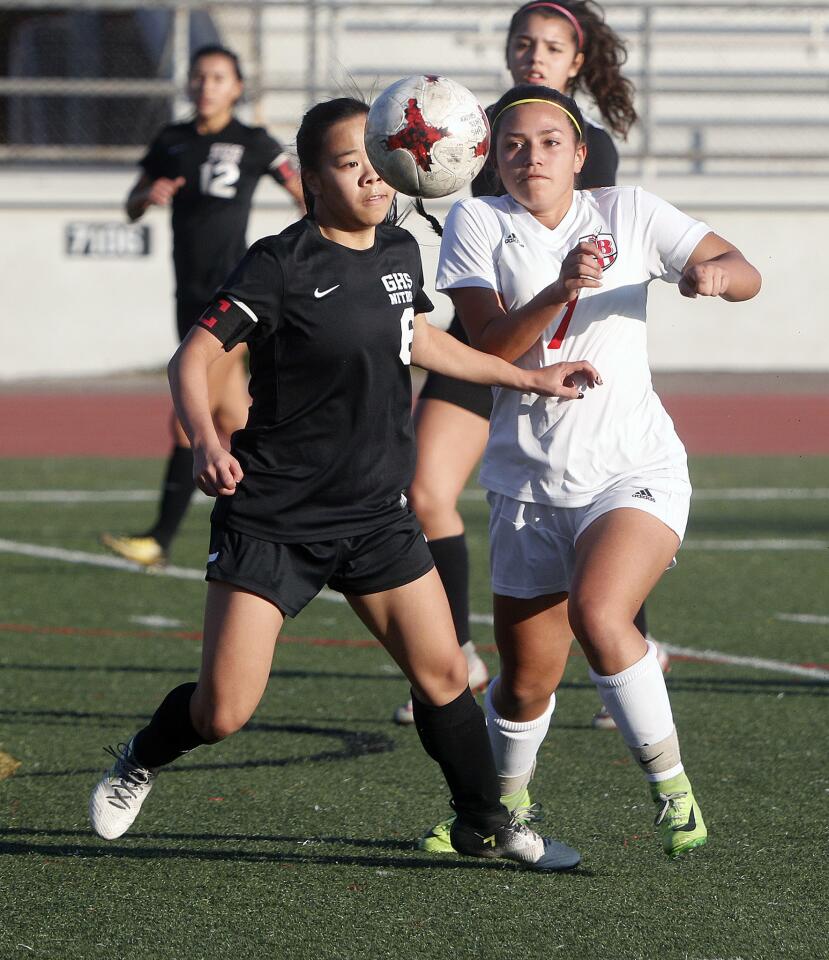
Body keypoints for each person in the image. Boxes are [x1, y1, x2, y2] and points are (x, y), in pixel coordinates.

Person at [87, 96, 604, 872]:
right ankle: (140, 756)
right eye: (347, 161)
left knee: (444, 677)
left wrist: (528, 379)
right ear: (312, 180)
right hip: (273, 517)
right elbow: (190, 359)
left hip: (374, 515)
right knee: (223, 711)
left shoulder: (399, 251)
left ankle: (483, 822)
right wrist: (202, 438)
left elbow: (421, 339)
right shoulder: (279, 262)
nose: (369, 172)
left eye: (376, 154)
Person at [419, 84, 761, 859]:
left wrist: (716, 276)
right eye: (511, 144)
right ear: (489, 159)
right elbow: (490, 352)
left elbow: (742, 271)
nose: (529, 156)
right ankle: (501, 811)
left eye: (547, 141)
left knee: (601, 616)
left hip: (631, 470)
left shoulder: (629, 211)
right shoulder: (477, 222)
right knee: (524, 683)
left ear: (578, 156)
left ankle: (671, 787)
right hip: (527, 486)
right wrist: (561, 286)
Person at [394, 0, 664, 730]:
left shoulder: (586, 147)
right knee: (423, 490)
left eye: (550, 46)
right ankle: (454, 656)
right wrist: (416, 171)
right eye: (524, 43)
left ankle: (629, 644)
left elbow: (538, 229)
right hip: (484, 341)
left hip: (555, 349)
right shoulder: (466, 130)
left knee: (594, 490)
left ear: (576, 62)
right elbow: (456, 213)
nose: (534, 56)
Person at [102, 44, 304, 568]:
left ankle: (159, 541)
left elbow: (302, 191)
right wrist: (147, 197)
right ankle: (295, 516)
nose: (206, 86)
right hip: (187, 294)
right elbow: (131, 203)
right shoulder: (172, 141)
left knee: (186, 420)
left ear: (237, 88)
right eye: (199, 77)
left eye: (218, 77)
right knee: (234, 416)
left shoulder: (254, 142)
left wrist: (308, 242)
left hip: (232, 298)